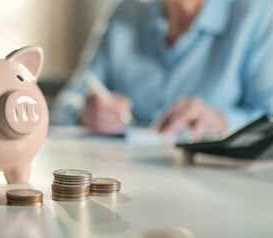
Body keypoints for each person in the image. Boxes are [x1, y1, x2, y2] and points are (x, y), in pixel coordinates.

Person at [52, 0, 273, 137]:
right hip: (123, 178)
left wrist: (219, 121)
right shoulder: (125, 13)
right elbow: (68, 100)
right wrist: (84, 112)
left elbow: (268, 119)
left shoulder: (258, 14)